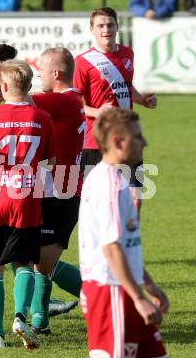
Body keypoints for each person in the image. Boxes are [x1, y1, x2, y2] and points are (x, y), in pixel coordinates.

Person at [0, 59, 56, 349]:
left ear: (2, 87)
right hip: (27, 200)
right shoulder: (42, 118)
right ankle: (20, 316)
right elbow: (50, 161)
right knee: (26, 263)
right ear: (29, 86)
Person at [79, 108, 169, 358]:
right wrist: (139, 298)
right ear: (118, 142)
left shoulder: (116, 179)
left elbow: (126, 244)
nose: (145, 142)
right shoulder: (110, 185)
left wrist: (148, 285)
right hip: (112, 291)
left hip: (126, 287)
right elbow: (111, 248)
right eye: (138, 137)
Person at [74, 7, 157, 206]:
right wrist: (97, 111)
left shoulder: (128, 54)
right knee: (101, 202)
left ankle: (131, 238)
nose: (106, 29)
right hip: (96, 142)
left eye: (110, 24)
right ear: (92, 29)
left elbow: (126, 87)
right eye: (100, 25)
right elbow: (74, 103)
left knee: (135, 200)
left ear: (117, 27)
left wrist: (142, 99)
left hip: (128, 138)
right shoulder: (83, 62)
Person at [29, 47, 84, 334]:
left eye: (40, 71)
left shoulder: (63, 101)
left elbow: (17, 97)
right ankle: (39, 320)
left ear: (55, 74)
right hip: (52, 190)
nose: (38, 76)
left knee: (43, 262)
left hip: (61, 194)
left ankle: (101, 299)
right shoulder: (69, 101)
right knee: (33, 258)